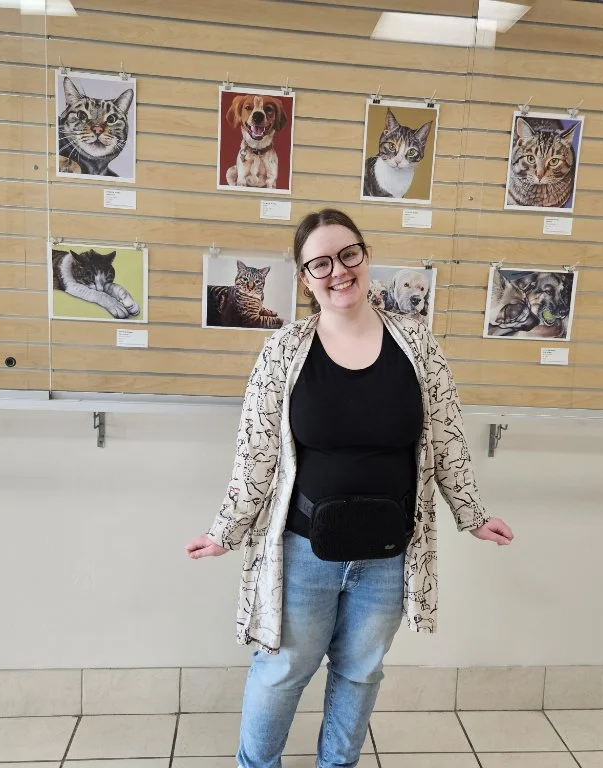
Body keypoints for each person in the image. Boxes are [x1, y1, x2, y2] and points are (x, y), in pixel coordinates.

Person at [185, 208, 513, 768]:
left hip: (388, 554)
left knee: (361, 673)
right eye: (320, 263)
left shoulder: (417, 346)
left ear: (365, 256)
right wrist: (226, 529)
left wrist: (472, 514)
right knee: (283, 671)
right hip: (303, 551)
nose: (338, 271)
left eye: (347, 255)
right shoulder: (285, 350)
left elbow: (448, 437)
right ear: (305, 276)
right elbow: (256, 450)